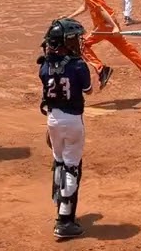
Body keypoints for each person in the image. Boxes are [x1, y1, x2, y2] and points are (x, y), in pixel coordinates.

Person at [37, 18, 94, 239]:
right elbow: (88, 90)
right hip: (73, 122)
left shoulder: (44, 66)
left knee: (59, 162)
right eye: (73, 39)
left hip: (53, 120)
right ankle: (65, 221)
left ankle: (59, 204)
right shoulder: (79, 66)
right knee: (72, 166)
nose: (77, 42)